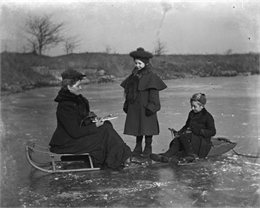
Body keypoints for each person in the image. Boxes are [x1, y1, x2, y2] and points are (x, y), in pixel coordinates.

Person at [49, 69, 141, 170]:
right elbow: (75, 132)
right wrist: (95, 126)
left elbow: (81, 121)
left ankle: (123, 157)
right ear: (69, 87)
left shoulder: (74, 100)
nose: (81, 88)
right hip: (66, 143)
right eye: (78, 86)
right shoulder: (65, 106)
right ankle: (124, 158)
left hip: (73, 139)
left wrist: (93, 120)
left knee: (106, 125)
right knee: (105, 131)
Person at [121, 47, 167, 158]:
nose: (137, 65)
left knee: (147, 129)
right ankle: (138, 147)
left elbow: (154, 95)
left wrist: (152, 106)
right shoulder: (134, 76)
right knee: (138, 128)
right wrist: (127, 104)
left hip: (146, 107)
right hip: (135, 107)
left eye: (140, 63)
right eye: (136, 63)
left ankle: (148, 147)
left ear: (146, 63)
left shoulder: (151, 76)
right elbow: (129, 92)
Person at [150, 93, 216, 163]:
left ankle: (191, 155)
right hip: (191, 138)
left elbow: (212, 131)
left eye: (194, 106)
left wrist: (199, 131)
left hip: (202, 140)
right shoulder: (191, 113)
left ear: (202, 106)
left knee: (184, 137)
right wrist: (179, 132)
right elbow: (186, 126)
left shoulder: (207, 116)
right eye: (191, 106)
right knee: (178, 139)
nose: (192, 108)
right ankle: (166, 156)